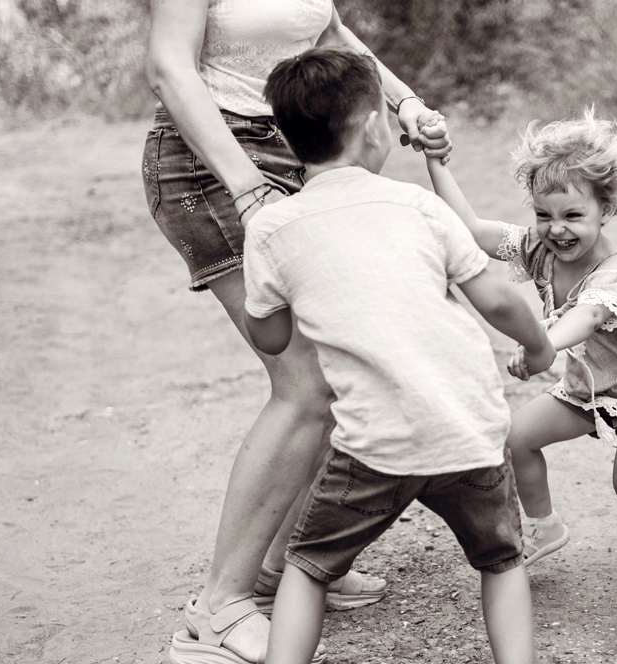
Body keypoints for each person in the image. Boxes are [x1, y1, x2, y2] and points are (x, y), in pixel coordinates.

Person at [142, 2, 451, 663]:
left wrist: (406, 106)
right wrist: (246, 185)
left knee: (340, 370)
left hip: (293, 153)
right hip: (210, 165)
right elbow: (171, 69)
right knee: (307, 383)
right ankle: (218, 610)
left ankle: (282, 571)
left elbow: (332, 35)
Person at [242, 48, 552, 664]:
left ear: (284, 136)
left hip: (374, 447)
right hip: (467, 429)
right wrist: (539, 347)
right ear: (375, 126)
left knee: (306, 566)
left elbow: (270, 338)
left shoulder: (272, 228)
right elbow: (497, 301)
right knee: (502, 560)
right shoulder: (418, 206)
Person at [424, 108, 617, 633]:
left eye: (572, 216)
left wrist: (539, 346)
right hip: (585, 389)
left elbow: (586, 320)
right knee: (515, 437)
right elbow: (474, 231)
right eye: (544, 215)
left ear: (606, 208)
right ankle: (544, 528)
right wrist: (436, 162)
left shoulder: (616, 271)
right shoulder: (540, 249)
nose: (556, 230)